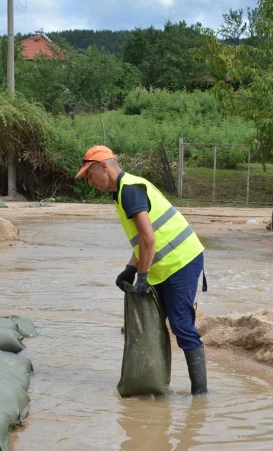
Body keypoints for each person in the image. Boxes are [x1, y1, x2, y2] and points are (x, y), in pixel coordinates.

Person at [76, 146, 208, 395]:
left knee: (180, 324)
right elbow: (142, 241)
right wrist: (130, 269)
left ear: (104, 166)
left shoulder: (130, 191)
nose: (89, 182)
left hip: (181, 261)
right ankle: (159, 382)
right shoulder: (124, 191)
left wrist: (142, 276)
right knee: (158, 323)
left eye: (89, 175)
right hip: (168, 265)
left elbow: (149, 240)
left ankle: (200, 396)